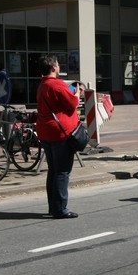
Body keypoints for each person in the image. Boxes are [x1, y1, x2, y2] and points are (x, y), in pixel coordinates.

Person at [35, 54, 83, 219]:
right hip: (60, 133)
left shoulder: (42, 86)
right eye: (58, 64)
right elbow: (72, 104)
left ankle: (53, 206)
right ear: (54, 67)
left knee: (53, 170)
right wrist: (77, 93)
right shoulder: (57, 84)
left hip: (45, 132)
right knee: (62, 171)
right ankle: (60, 209)